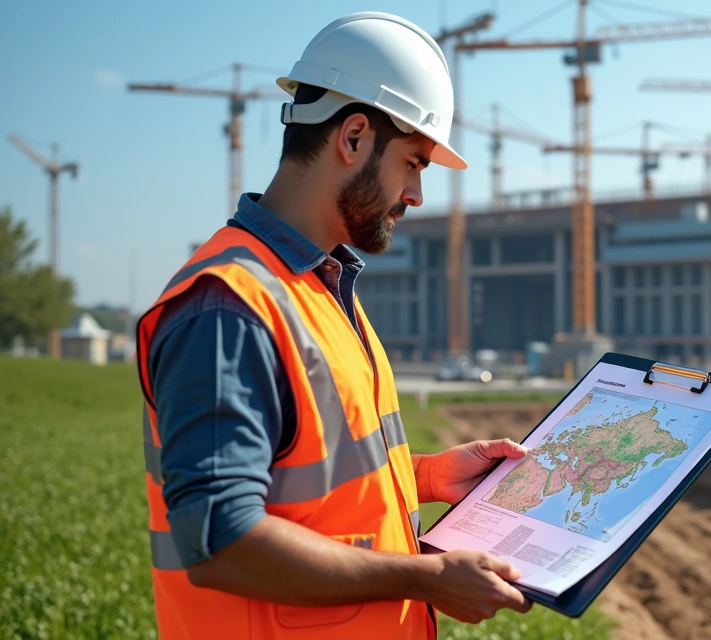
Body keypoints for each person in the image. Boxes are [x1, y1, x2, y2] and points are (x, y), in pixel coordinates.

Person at [136, 12, 532, 638]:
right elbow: (219, 539)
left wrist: (427, 476)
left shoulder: (322, 287)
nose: (416, 195)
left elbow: (313, 478)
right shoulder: (228, 308)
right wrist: (422, 577)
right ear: (352, 137)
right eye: (413, 163)